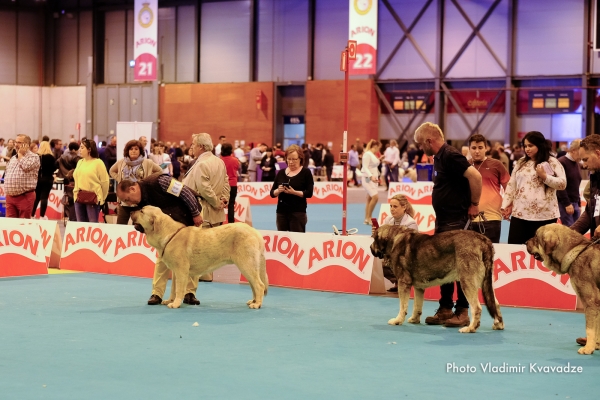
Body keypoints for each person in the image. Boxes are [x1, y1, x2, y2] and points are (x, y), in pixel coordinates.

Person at [413, 122, 482, 328]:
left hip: (456, 220)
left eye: (420, 144)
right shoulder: (440, 157)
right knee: (443, 263)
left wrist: (474, 204)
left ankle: (462, 311)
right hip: (444, 220)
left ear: (429, 141)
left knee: (460, 267)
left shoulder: (451, 155)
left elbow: (476, 177)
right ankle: (445, 309)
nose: (419, 148)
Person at [116, 175, 203, 305]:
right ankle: (157, 293)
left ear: (133, 189)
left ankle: (189, 293)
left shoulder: (160, 181)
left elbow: (184, 192)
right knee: (163, 256)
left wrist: (195, 213)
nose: (129, 203)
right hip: (170, 223)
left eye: (127, 199)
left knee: (191, 255)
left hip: (189, 214)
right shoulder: (140, 202)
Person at [501, 131, 566, 245]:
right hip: (520, 213)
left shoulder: (552, 162)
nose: (527, 149)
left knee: (541, 252)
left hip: (544, 215)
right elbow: (512, 184)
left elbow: (562, 184)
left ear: (540, 145)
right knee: (514, 247)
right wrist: (506, 205)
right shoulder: (521, 162)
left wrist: (545, 177)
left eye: (530, 145)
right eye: (525, 146)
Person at [183, 132, 230, 281]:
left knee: (200, 244)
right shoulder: (219, 161)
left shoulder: (202, 163)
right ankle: (207, 274)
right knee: (211, 244)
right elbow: (226, 182)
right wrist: (224, 199)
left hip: (203, 208)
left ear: (201, 147)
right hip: (215, 210)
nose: (192, 147)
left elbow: (204, 188)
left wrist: (216, 202)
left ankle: (203, 275)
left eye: (194, 145)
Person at [570, 134, 600, 347]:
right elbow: (590, 211)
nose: (582, 164)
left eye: (586, 159)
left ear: (598, 153)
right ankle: (596, 336)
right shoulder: (595, 177)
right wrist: (570, 234)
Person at [467, 134, 510, 243]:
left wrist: (508, 206)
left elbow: (509, 188)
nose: (477, 151)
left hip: (491, 219)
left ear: (486, 148)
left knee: (490, 256)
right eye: (474, 148)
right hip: (468, 220)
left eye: (480, 148)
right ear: (469, 149)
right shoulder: (464, 166)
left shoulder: (497, 165)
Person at [372, 194, 418, 293]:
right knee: (379, 264)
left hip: (407, 257)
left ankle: (405, 282)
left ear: (404, 207)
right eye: (391, 206)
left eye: (395, 206)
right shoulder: (388, 220)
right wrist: (377, 234)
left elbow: (408, 247)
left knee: (392, 262)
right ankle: (398, 283)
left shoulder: (411, 223)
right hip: (393, 255)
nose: (392, 209)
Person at [110, 139, 162, 224]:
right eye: (131, 149)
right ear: (127, 151)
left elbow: (159, 171)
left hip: (140, 199)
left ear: (140, 151)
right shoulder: (121, 162)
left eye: (136, 149)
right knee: (120, 225)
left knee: (140, 226)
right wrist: (120, 179)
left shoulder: (147, 162)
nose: (133, 151)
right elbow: (111, 171)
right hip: (125, 201)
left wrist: (147, 181)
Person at [270, 144, 314, 232]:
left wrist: (294, 192)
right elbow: (272, 193)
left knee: (297, 240)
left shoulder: (306, 172)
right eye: (289, 159)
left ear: (300, 159)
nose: (291, 162)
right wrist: (279, 190)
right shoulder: (281, 173)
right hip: (281, 212)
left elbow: (309, 193)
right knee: (282, 240)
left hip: (298, 212)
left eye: (294, 159)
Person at [73, 139, 110, 223]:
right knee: (81, 226)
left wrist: (101, 198)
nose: (80, 150)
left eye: (82, 148)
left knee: (92, 226)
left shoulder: (98, 163)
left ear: (89, 149)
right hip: (78, 197)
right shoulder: (80, 162)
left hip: (93, 198)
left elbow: (105, 183)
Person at [3, 134, 40, 218]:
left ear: (27, 144)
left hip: (25, 196)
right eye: (16, 142)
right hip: (10, 197)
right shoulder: (13, 158)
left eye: (19, 142)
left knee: (23, 225)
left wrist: (20, 155)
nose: (16, 144)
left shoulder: (34, 157)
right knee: (10, 226)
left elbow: (26, 167)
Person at [556, 140, 582, 227]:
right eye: (580, 151)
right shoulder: (561, 162)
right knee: (569, 233)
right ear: (573, 150)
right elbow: (559, 186)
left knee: (577, 232)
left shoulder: (576, 163)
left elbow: (576, 185)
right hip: (565, 203)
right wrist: (567, 203)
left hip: (574, 203)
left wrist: (578, 204)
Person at [31, 141, 57, 220]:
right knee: (44, 197)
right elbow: (54, 168)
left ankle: (32, 215)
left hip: (38, 179)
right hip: (48, 179)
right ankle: (42, 216)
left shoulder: (37, 156)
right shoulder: (51, 157)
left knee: (37, 197)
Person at [57, 142, 82, 221]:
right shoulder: (77, 158)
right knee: (74, 200)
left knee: (68, 200)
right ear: (75, 149)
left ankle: (70, 218)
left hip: (65, 181)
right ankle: (74, 219)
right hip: (74, 181)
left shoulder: (61, 157)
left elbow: (56, 165)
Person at [361, 139, 381, 225]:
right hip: (368, 179)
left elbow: (373, 166)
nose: (378, 150)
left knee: (369, 198)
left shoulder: (372, 155)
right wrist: (370, 176)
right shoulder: (367, 154)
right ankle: (369, 218)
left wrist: (380, 159)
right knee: (375, 197)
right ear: (375, 146)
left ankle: (366, 218)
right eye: (378, 148)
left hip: (374, 179)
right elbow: (365, 167)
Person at [221, 143, 240, 223]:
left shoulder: (219, 160)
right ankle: (231, 222)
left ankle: (219, 222)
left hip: (222, 185)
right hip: (232, 184)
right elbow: (237, 168)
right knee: (231, 204)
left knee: (220, 204)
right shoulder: (235, 160)